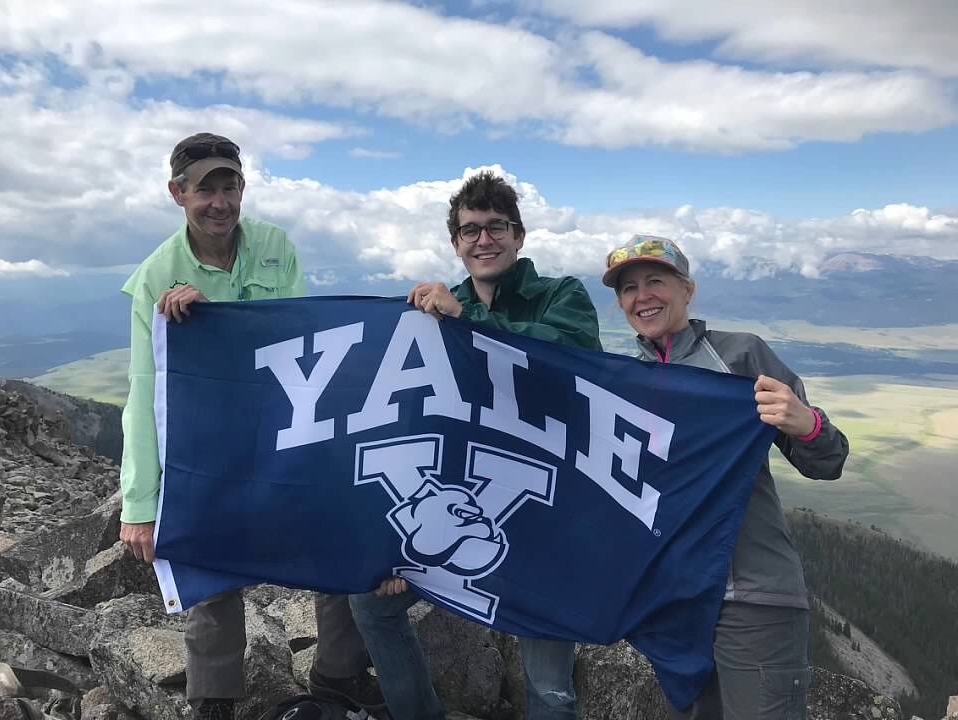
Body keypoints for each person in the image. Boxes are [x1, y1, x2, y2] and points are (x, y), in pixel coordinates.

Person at [118, 133, 384, 720]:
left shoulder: (273, 245)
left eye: (229, 186)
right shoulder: (154, 275)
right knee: (207, 559)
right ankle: (213, 697)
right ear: (177, 194)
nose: (219, 201)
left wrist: (217, 317)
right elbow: (144, 391)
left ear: (242, 187)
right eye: (204, 189)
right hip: (208, 447)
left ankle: (338, 674)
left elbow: (299, 339)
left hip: (282, 433)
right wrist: (139, 503)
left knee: (336, 533)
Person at [349, 170, 602, 720]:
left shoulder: (562, 296)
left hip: (545, 517)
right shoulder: (434, 312)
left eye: (496, 227)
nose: (483, 239)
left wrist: (470, 320)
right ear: (455, 243)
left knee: (550, 686)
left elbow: (566, 356)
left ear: (519, 235)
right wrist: (396, 542)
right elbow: (411, 415)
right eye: (470, 230)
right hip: (469, 508)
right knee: (371, 604)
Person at [601, 235, 849, 720]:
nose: (642, 296)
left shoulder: (740, 356)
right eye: (628, 288)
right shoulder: (622, 382)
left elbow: (829, 460)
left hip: (752, 596)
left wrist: (808, 424)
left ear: (687, 289)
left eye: (656, 281)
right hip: (675, 604)